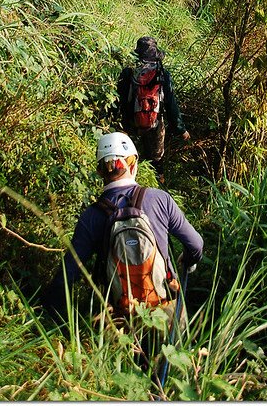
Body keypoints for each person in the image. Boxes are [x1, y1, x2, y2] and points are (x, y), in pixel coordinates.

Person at [42, 132, 203, 325]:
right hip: (165, 312)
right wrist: (188, 260)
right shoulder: (160, 200)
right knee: (175, 349)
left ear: (100, 171)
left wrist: (46, 312)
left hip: (118, 317)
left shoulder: (91, 216)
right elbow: (196, 245)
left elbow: (68, 274)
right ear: (134, 164)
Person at [117, 37, 190, 184]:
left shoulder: (128, 72)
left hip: (130, 122)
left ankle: (130, 180)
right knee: (157, 159)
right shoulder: (163, 74)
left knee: (129, 155)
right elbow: (171, 104)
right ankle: (158, 183)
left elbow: (120, 100)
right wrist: (181, 129)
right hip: (155, 122)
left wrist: (122, 124)